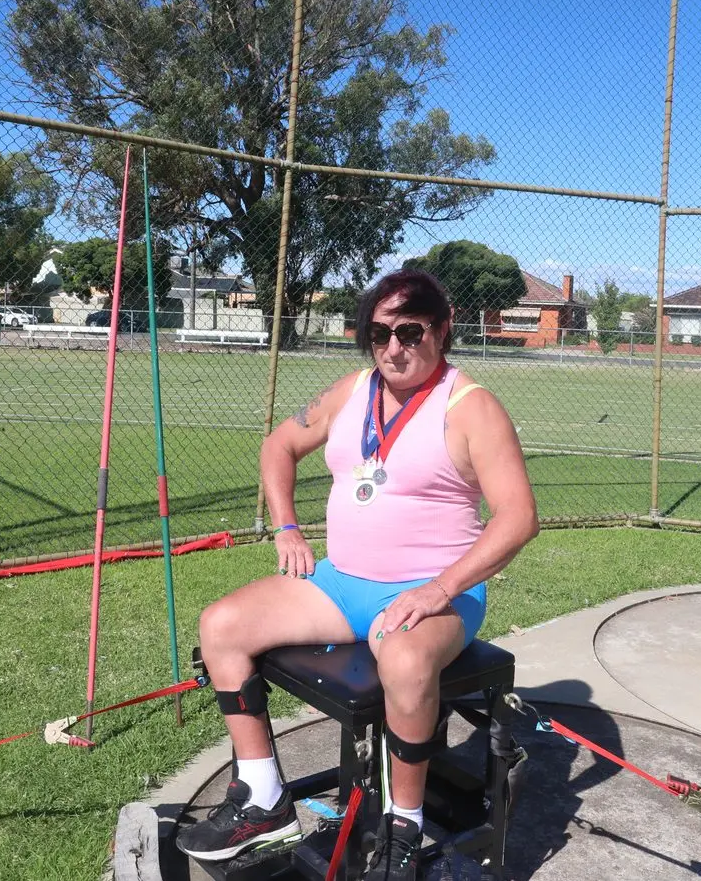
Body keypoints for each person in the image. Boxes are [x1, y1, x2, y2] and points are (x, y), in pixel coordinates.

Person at [177, 269, 539, 879]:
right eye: (378, 333)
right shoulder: (351, 391)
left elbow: (519, 517)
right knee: (222, 626)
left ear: (442, 329)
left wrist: (440, 588)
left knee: (401, 658)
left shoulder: (471, 406)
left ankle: (404, 827)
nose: (393, 347)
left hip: (434, 594)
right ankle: (264, 798)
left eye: (409, 330)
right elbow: (277, 447)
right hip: (343, 584)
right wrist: (286, 526)